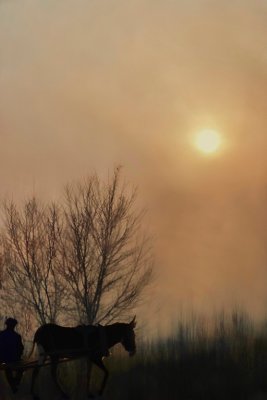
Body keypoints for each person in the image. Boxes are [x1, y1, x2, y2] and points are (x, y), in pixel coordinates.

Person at [0, 317, 24, 393]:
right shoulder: (17, 336)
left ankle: (14, 384)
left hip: (4, 359)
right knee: (19, 369)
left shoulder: (1, 335)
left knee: (9, 369)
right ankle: (14, 384)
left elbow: (20, 348)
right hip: (11, 359)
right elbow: (21, 348)